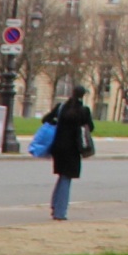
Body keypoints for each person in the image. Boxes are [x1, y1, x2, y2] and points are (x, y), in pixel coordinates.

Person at [46, 85, 93, 220]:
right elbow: (90, 128)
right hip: (73, 149)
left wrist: (58, 123)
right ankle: (60, 212)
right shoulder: (83, 111)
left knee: (62, 176)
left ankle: (55, 205)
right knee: (66, 178)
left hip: (58, 147)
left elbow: (46, 119)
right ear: (82, 96)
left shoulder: (61, 108)